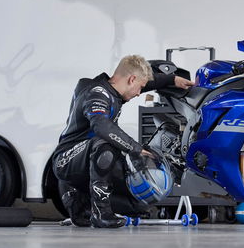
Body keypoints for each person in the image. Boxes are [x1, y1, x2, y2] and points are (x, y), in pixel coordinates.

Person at [52, 55, 194, 228]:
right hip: (66, 160)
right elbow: (101, 126)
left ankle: (82, 204)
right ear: (131, 79)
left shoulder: (116, 90)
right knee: (105, 143)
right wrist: (135, 148)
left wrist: (173, 79)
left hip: (89, 163)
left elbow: (147, 82)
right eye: (139, 88)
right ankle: (101, 213)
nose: (139, 93)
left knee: (139, 204)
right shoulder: (97, 93)